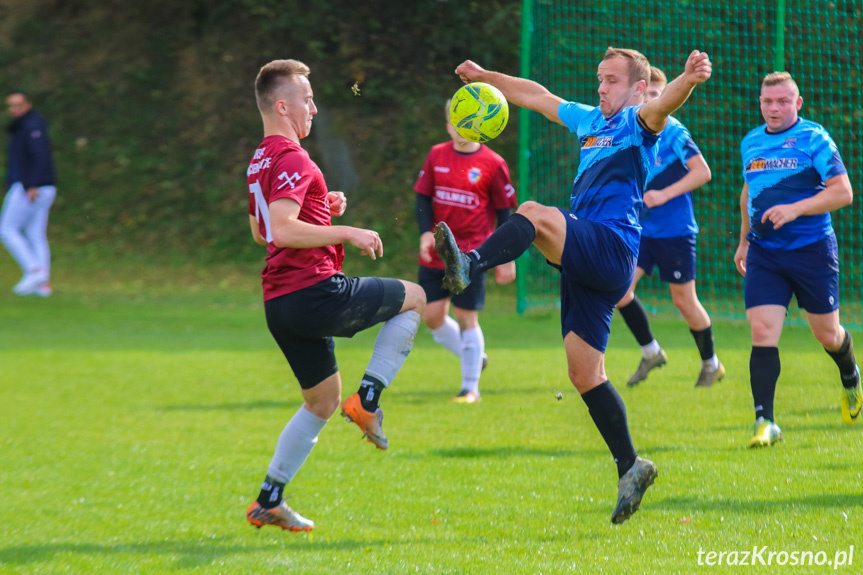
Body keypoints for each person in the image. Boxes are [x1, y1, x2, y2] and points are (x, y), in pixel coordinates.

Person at [435, 48, 712, 524]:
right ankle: (631, 466)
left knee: (533, 212)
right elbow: (537, 96)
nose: (600, 87)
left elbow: (664, 106)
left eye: (610, 80)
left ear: (636, 89)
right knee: (585, 374)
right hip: (587, 261)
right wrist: (486, 76)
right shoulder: (590, 120)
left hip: (612, 246)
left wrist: (686, 79)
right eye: (599, 79)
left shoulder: (638, 124)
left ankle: (470, 261)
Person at [243, 59, 426, 532]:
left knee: (322, 401)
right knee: (416, 296)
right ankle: (369, 401)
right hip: (313, 291)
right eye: (307, 99)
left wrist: (323, 209)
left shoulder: (261, 159)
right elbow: (281, 231)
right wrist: (347, 231)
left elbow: (261, 230)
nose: (314, 108)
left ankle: (269, 499)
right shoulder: (293, 158)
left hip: (280, 304)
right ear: (283, 106)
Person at [733, 71, 860, 448]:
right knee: (762, 332)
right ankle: (765, 421)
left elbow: (843, 192)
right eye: (768, 102)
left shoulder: (814, 138)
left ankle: (850, 376)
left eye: (783, 101)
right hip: (764, 253)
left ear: (797, 103)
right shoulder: (751, 142)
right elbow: (748, 194)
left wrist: (795, 208)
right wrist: (743, 242)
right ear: (760, 103)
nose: (774, 108)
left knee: (828, 335)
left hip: (812, 251)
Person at [615, 66, 724, 388]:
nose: (649, 100)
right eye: (644, 94)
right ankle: (651, 351)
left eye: (655, 95)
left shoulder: (674, 130)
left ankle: (711, 363)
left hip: (675, 232)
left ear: (667, 97)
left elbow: (702, 172)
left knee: (683, 301)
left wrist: (664, 194)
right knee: (619, 289)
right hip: (639, 231)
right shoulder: (631, 131)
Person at [414, 100, 517, 403]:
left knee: (466, 316)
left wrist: (505, 257)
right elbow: (423, 198)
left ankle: (470, 387)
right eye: (455, 123)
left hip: (472, 255)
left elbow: (504, 214)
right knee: (432, 317)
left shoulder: (494, 163)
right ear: (448, 125)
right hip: (436, 253)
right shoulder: (436, 155)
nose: (461, 129)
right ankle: (474, 356)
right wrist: (424, 234)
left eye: (468, 123)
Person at [1, 90, 56, 297]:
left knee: (6, 229)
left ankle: (35, 271)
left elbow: (39, 156)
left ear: (28, 105)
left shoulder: (32, 125)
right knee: (35, 234)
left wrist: (32, 185)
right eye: (11, 106)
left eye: (18, 105)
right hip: (38, 185)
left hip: (29, 186)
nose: (14, 109)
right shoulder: (21, 126)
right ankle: (42, 285)